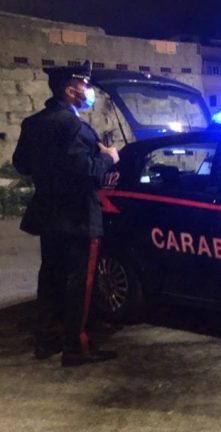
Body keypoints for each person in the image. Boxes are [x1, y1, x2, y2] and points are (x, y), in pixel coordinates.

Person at [12, 60, 121, 367]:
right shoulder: (72, 125)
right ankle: (77, 346)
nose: (88, 92)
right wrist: (109, 158)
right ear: (70, 90)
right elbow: (88, 173)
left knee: (50, 278)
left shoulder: (34, 123)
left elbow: (22, 164)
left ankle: (46, 341)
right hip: (77, 216)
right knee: (79, 284)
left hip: (48, 214)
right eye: (84, 86)